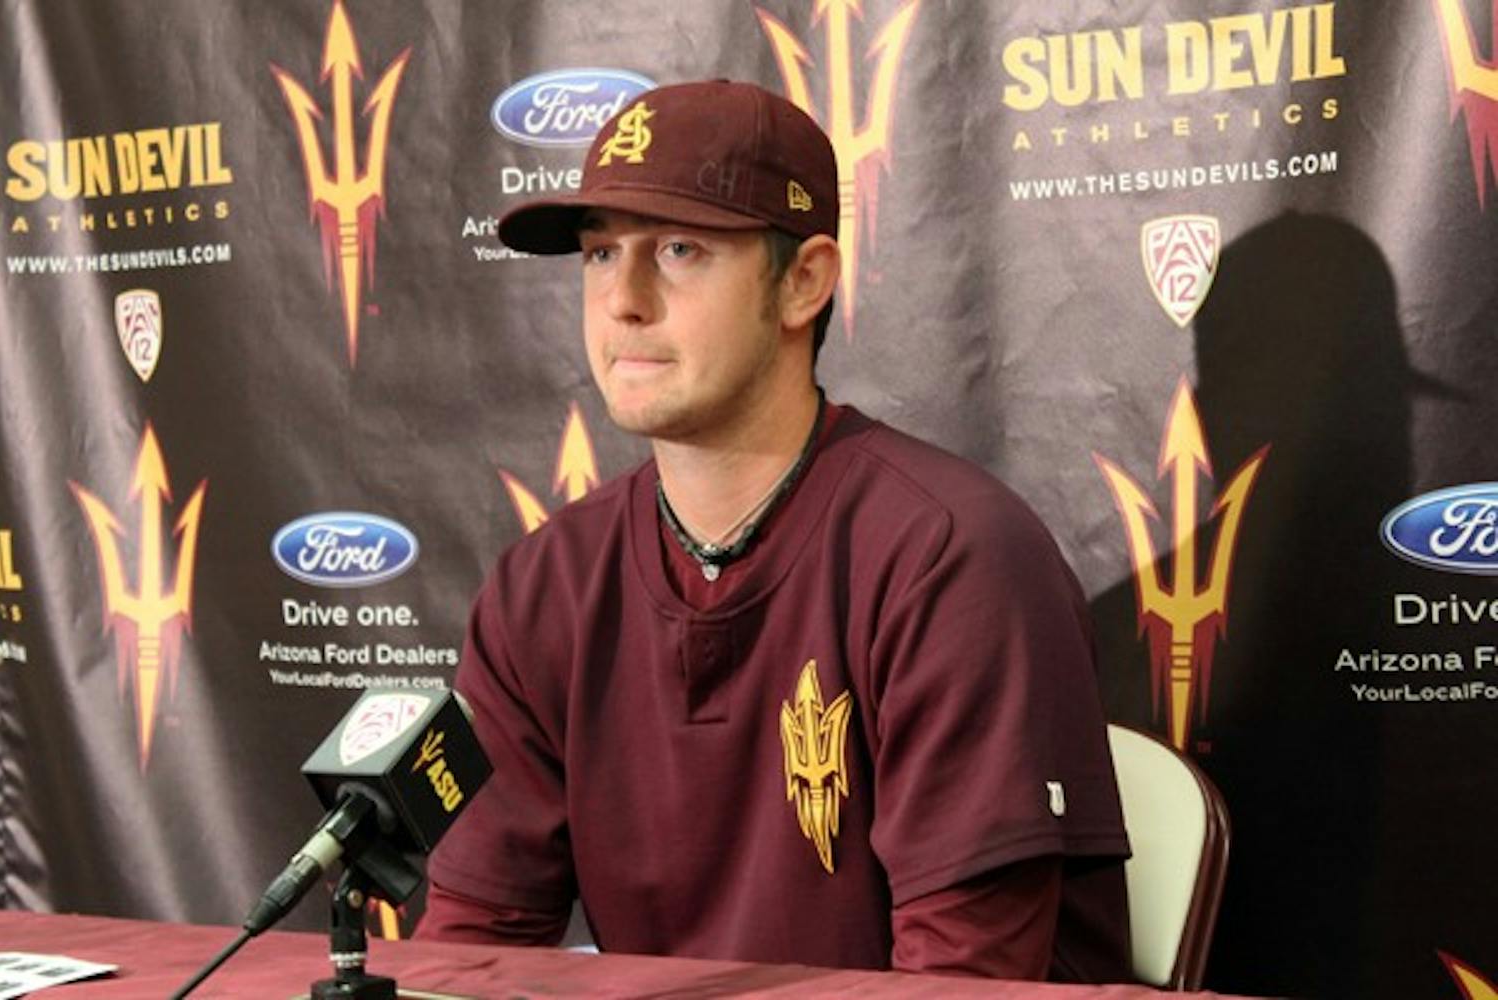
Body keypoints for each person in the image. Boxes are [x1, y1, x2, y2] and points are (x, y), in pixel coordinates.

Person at [418, 79, 1131, 981]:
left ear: (804, 282)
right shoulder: (544, 585)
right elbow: (472, 948)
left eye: (679, 250)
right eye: (600, 254)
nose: (623, 301)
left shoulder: (953, 558)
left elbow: (965, 977)